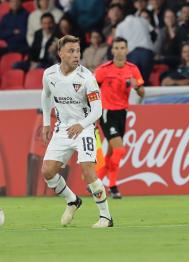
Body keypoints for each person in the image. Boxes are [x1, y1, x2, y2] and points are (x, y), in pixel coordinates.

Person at [41, 35, 113, 228]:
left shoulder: (87, 78)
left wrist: (82, 125)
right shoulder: (49, 75)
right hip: (63, 128)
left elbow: (97, 109)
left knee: (88, 170)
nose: (76, 55)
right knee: (47, 171)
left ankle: (106, 217)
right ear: (60, 53)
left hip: (84, 128)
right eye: (71, 51)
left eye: (78, 51)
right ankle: (72, 200)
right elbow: (45, 96)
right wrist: (46, 123)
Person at [94, 37, 145, 199]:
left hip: (122, 113)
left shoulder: (133, 69)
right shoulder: (103, 70)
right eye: (117, 48)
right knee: (120, 149)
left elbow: (142, 92)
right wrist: (93, 113)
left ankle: (97, 181)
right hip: (107, 112)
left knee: (111, 153)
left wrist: (137, 88)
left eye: (123, 47)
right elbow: (91, 92)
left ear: (127, 50)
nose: (120, 51)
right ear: (112, 50)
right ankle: (113, 185)